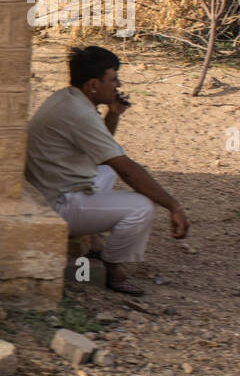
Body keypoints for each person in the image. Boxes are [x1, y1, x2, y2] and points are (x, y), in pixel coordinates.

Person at [25, 46, 190, 295]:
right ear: (93, 84)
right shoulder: (79, 113)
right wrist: (173, 206)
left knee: (108, 168)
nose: (117, 85)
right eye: (113, 79)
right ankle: (113, 269)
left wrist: (113, 113)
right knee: (141, 207)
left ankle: (91, 238)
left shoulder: (68, 98)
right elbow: (128, 172)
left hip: (49, 185)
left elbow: (102, 146)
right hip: (55, 203)